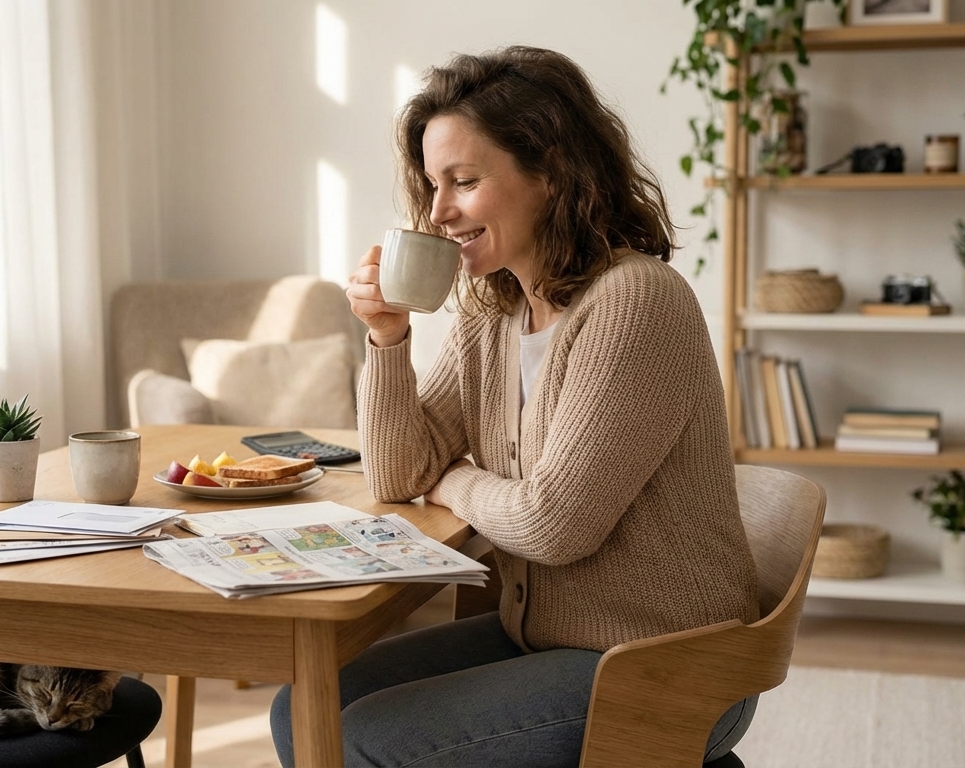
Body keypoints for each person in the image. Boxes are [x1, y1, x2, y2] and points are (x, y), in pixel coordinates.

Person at [269, 45, 760, 767]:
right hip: (546, 635)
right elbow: (396, 471)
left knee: (372, 738)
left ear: (552, 171)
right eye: (433, 186)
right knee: (306, 706)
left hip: (666, 663)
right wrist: (388, 337)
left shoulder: (637, 302)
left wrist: (450, 479)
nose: (438, 212)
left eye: (463, 181)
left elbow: (552, 524)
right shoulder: (494, 312)